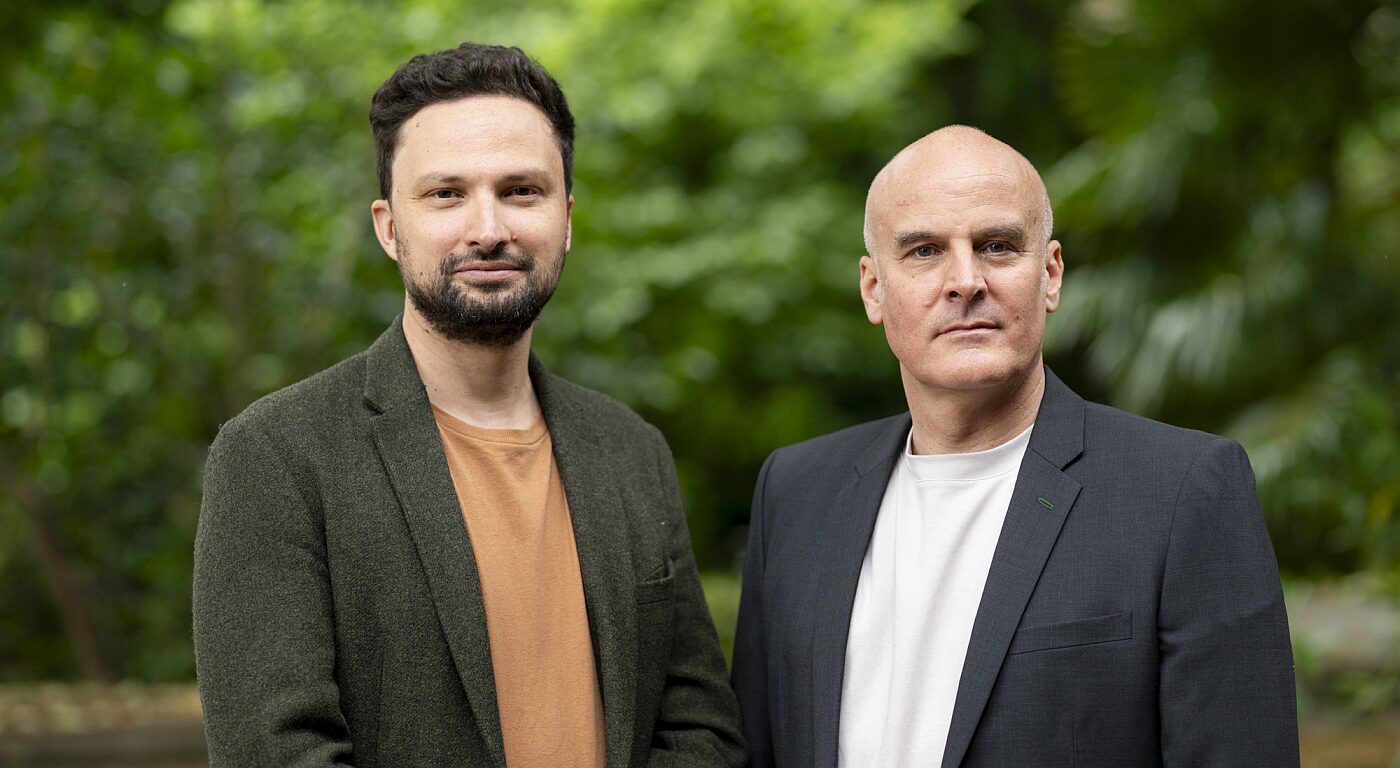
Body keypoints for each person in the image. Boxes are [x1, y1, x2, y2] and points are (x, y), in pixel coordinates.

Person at [193, 43, 745, 768]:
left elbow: (700, 729)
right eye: (446, 194)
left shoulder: (631, 450)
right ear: (391, 227)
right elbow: (276, 753)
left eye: (522, 191)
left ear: (567, 218)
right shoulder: (277, 455)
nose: (489, 229)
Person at [730, 125, 1298, 767]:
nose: (965, 280)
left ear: (1050, 274)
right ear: (872, 289)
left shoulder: (1182, 490)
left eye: (997, 246)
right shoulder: (796, 492)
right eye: (923, 251)